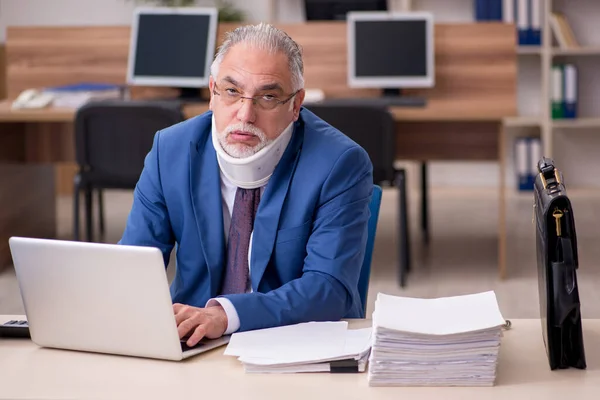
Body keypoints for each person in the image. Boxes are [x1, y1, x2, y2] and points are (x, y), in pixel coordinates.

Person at [119, 23, 373, 348]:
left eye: (268, 96)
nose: (245, 113)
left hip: (291, 342)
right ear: (212, 92)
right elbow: (133, 266)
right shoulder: (171, 150)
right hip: (191, 339)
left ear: (296, 105)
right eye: (231, 91)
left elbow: (329, 288)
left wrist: (226, 315)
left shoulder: (339, 163)